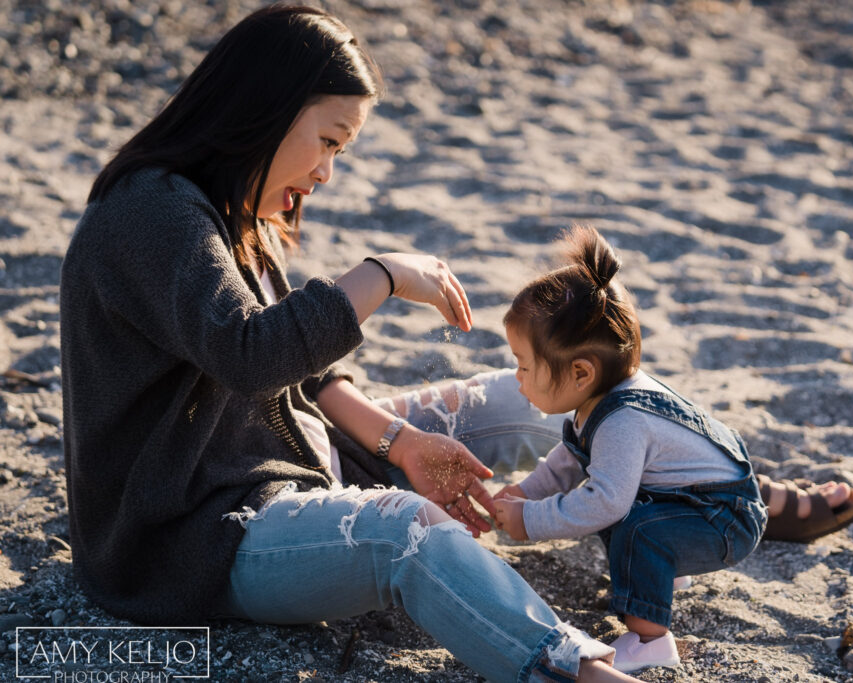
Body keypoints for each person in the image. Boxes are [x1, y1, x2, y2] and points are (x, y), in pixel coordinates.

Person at [59, 5, 642, 681]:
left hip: (288, 457)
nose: (328, 172)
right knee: (407, 531)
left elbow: (300, 376)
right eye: (330, 141)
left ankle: (699, 478)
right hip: (201, 534)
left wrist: (401, 442)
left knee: (519, 398)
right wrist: (382, 275)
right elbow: (251, 357)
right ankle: (583, 672)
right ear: (266, 107)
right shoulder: (151, 214)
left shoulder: (225, 208)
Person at [491, 225, 769, 673]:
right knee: (624, 511)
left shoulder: (622, 422)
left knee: (634, 526)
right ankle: (658, 572)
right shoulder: (596, 403)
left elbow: (604, 501)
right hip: (690, 499)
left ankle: (650, 638)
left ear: (581, 373)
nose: (518, 377)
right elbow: (566, 463)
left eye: (524, 366)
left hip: (724, 517)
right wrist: (524, 495)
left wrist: (531, 521)